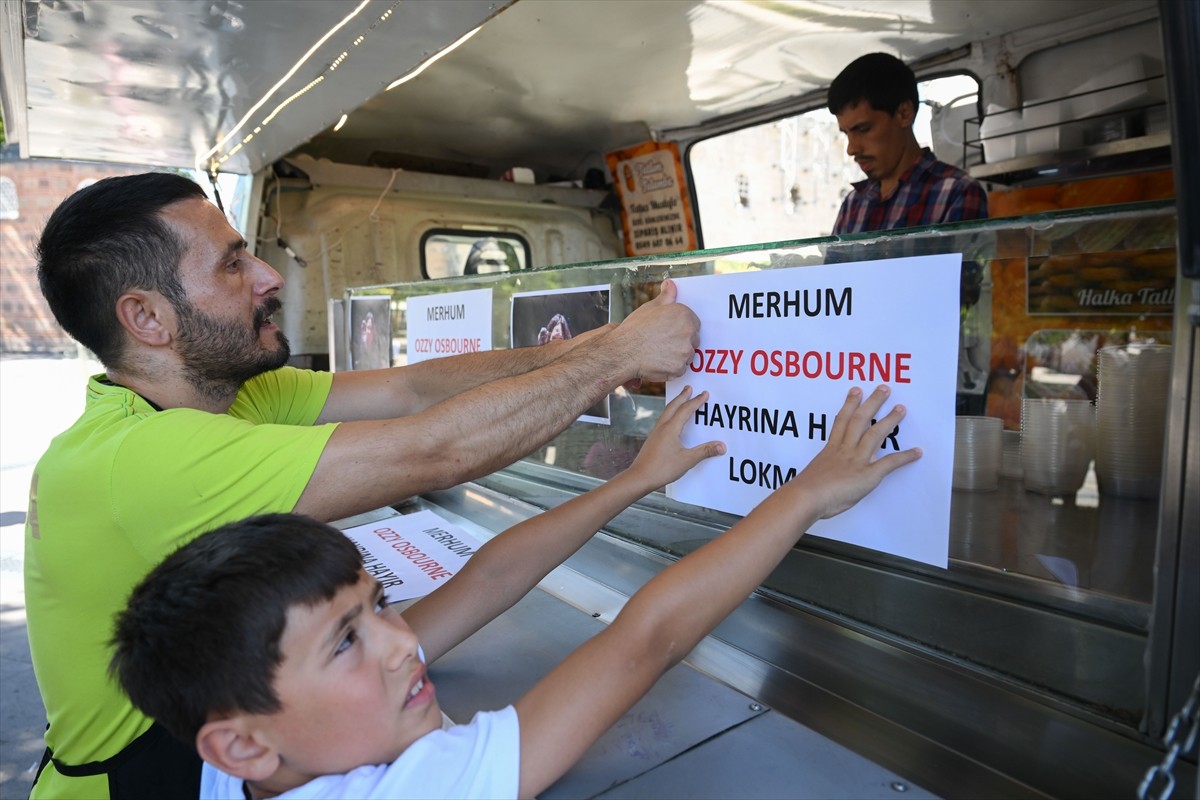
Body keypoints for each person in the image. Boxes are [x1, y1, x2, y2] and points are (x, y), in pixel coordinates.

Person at [25, 171, 700, 798]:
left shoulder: (217, 396)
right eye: (231, 263)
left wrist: (582, 350)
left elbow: (408, 389)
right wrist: (620, 358)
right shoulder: (146, 459)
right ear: (147, 319)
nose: (267, 276)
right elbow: (436, 450)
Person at [110, 384, 919, 799]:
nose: (401, 643)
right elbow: (647, 639)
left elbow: (490, 577)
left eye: (378, 605)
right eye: (348, 640)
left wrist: (635, 482)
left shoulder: (248, 747)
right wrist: (806, 495)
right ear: (244, 741)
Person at [828, 52, 988, 234]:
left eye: (863, 129)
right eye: (846, 133)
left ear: (904, 113)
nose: (852, 148)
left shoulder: (957, 192)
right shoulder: (853, 204)